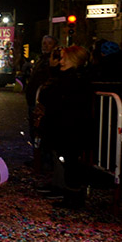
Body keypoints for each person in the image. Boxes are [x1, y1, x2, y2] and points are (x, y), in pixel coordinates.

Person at [35, 45, 91, 208]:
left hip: (69, 127)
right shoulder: (69, 78)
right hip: (65, 125)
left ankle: (73, 196)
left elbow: (54, 99)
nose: (61, 61)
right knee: (67, 161)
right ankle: (71, 194)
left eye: (65, 58)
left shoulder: (73, 80)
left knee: (70, 162)